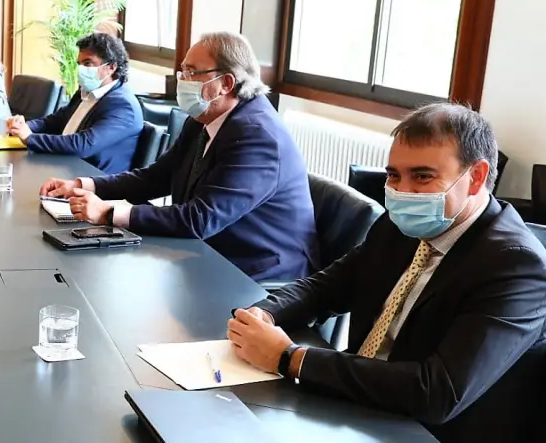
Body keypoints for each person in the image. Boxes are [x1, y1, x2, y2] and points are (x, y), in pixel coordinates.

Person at [228, 104, 546, 443]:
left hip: (427, 431)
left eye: (422, 177)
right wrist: (263, 314)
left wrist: (290, 358)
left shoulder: (516, 266)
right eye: (394, 175)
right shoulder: (401, 225)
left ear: (476, 177)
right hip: (358, 403)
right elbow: (326, 287)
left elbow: (437, 392)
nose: (402, 191)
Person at [38, 31, 317, 282]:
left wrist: (110, 213)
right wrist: (84, 185)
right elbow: (157, 177)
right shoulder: (202, 119)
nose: (182, 81)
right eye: (182, 72)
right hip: (206, 254)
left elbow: (201, 219)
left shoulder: (257, 135)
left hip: (256, 275)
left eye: (192, 73)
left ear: (226, 83)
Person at [6, 32, 142, 173]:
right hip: (64, 164)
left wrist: (29, 138)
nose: (81, 69)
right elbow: (53, 122)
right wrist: (22, 126)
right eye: (80, 64)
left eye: (87, 63)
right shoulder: (86, 92)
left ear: (111, 67)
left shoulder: (123, 106)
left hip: (91, 178)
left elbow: (83, 145)